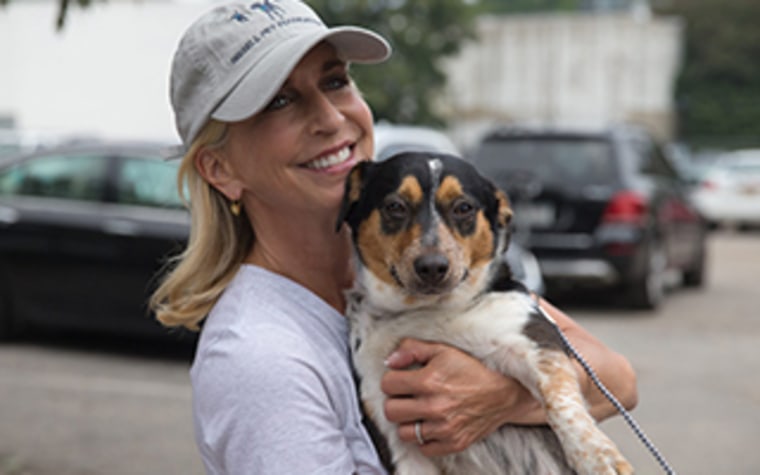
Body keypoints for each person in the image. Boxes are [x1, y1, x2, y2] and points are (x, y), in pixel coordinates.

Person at [150, 1, 638, 473]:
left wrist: (500, 395)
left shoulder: (425, 267)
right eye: (280, 101)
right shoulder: (258, 356)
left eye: (335, 81)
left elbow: (617, 378)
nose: (330, 118)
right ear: (221, 168)